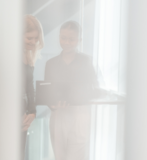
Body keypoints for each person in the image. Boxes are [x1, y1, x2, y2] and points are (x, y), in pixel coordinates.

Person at [44, 21, 97, 160]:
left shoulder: (86, 61)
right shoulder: (51, 63)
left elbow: (95, 88)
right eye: (63, 38)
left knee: (77, 156)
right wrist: (53, 105)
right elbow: (47, 93)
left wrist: (82, 96)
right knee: (59, 156)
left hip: (80, 114)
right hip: (58, 114)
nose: (66, 42)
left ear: (79, 40)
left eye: (71, 39)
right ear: (59, 37)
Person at [21, 15, 45, 159]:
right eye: (29, 38)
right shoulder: (10, 56)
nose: (34, 42)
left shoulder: (28, 55)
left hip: (23, 114)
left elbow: (29, 87)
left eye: (36, 38)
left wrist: (32, 112)